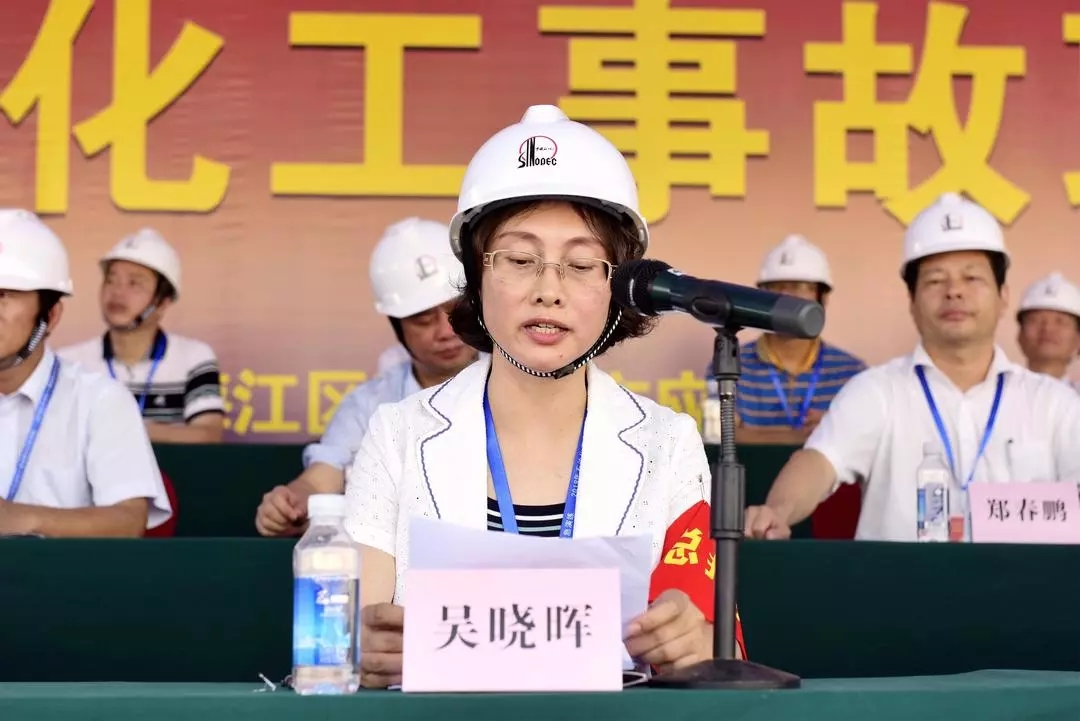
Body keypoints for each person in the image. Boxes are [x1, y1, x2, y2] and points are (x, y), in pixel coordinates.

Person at [343, 105, 745, 689]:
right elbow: (354, 633)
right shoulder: (398, 433)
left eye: (581, 264)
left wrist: (690, 643)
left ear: (618, 287)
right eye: (520, 260)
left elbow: (709, 641)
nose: (548, 291)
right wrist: (364, 650)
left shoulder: (667, 443)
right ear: (476, 276)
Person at [744, 192, 1080, 543]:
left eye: (972, 278)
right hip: (899, 578)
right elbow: (820, 461)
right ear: (912, 300)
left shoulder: (1055, 405)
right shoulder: (876, 391)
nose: (954, 292)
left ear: (1003, 295)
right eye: (935, 280)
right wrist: (778, 511)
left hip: (1024, 578)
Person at [254, 218, 478, 537]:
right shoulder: (370, 404)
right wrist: (291, 503)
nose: (446, 331)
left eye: (457, 311)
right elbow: (323, 477)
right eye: (423, 320)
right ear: (397, 326)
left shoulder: (517, 381)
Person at [0, 209, 171, 537]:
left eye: (3, 295)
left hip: (58, 572)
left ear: (50, 316)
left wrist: (18, 518)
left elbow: (128, 520)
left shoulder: (100, 400)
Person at [58, 228, 225, 443]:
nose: (117, 292)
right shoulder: (69, 363)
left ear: (162, 303)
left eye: (134, 283)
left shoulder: (193, 358)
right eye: (111, 280)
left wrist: (127, 428)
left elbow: (208, 435)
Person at [726, 235, 866, 444]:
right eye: (777, 287)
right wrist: (820, 435)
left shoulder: (852, 372)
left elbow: (867, 443)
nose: (787, 297)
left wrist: (843, 428)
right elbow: (722, 437)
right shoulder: (729, 363)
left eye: (800, 286)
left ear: (823, 298)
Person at [1016, 272, 1080, 391]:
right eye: (1035, 320)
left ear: (1078, 339)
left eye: (1060, 322)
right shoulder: (993, 393)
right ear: (1020, 335)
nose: (1047, 328)